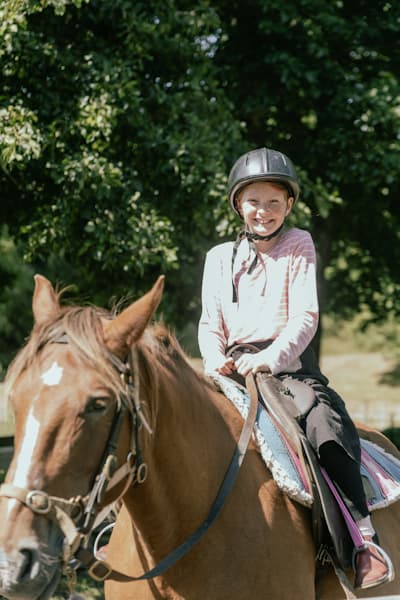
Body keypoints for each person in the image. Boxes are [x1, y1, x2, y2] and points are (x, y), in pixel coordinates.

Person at [198, 147, 393, 590]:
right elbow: (210, 323)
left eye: (273, 202)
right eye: (253, 201)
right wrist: (214, 360)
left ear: (288, 205)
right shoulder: (217, 257)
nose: (263, 211)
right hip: (229, 367)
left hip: (288, 369)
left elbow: (305, 316)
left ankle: (363, 538)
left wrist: (267, 359)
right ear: (237, 204)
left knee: (324, 422)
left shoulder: (299, 243)